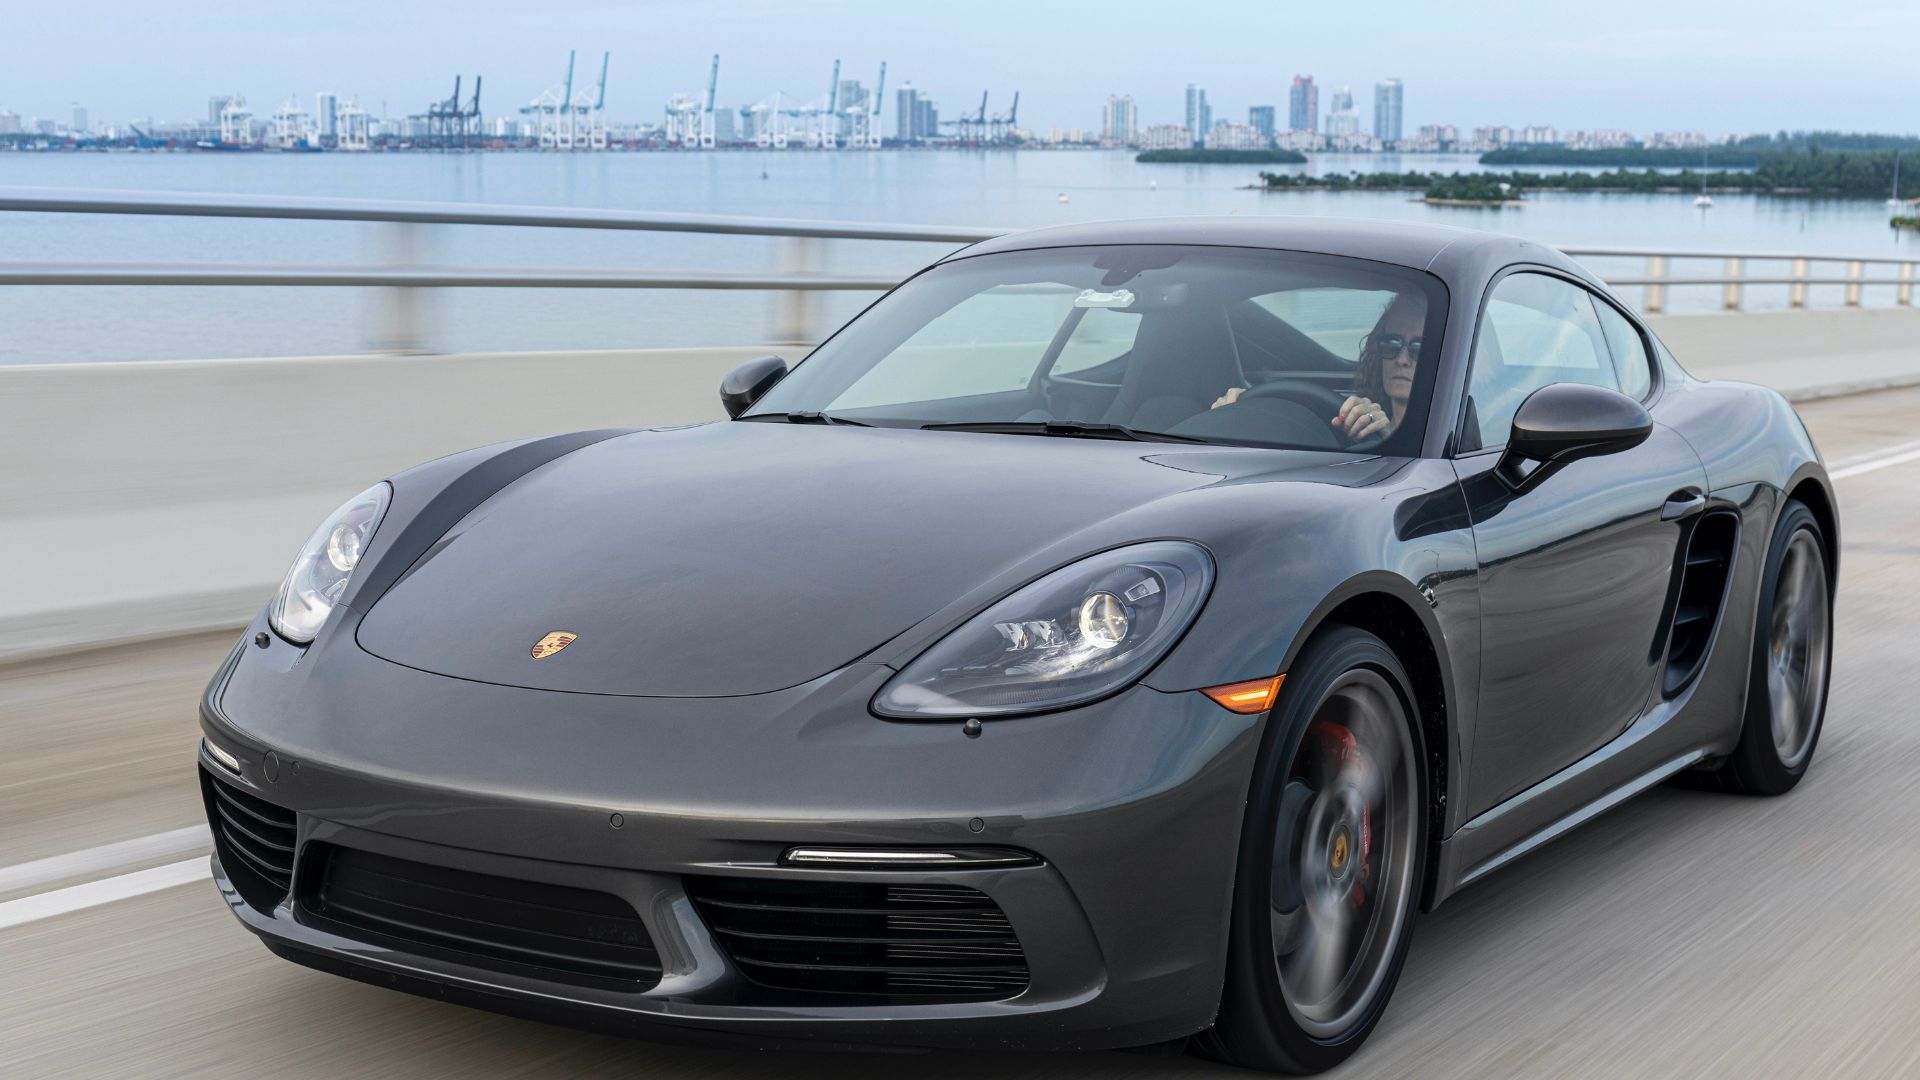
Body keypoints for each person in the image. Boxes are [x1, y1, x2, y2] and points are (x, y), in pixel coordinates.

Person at [1211, 292, 1426, 444]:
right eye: (1391, 343)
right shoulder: (1354, 414)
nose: (1402, 359)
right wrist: (1238, 413)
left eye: (1418, 348)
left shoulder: (1445, 439)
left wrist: (1385, 436)